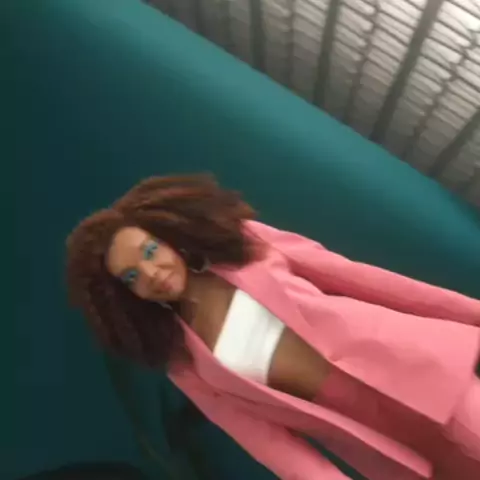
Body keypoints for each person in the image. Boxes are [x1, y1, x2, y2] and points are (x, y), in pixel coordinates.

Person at [66, 174, 480, 480]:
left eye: (150, 251)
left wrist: (471, 312)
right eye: (132, 277)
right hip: (376, 437)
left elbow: (367, 281)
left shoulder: (248, 244)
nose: (152, 272)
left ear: (168, 236)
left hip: (415, 367)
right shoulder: (183, 362)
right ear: (125, 297)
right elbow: (266, 440)